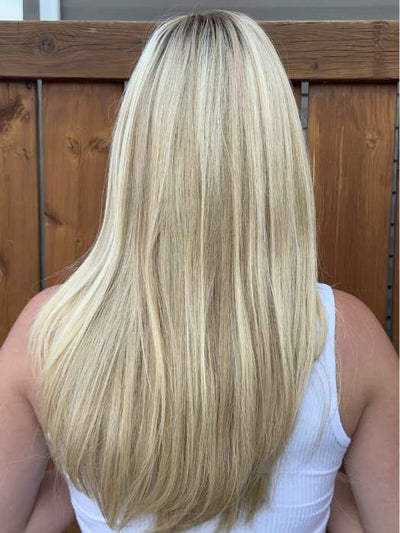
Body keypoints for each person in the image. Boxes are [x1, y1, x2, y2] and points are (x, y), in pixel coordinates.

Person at [0, 9, 398, 533]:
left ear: (137, 151)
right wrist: (317, 484)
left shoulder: (47, 335)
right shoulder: (351, 341)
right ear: (277, 155)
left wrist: (89, 480)